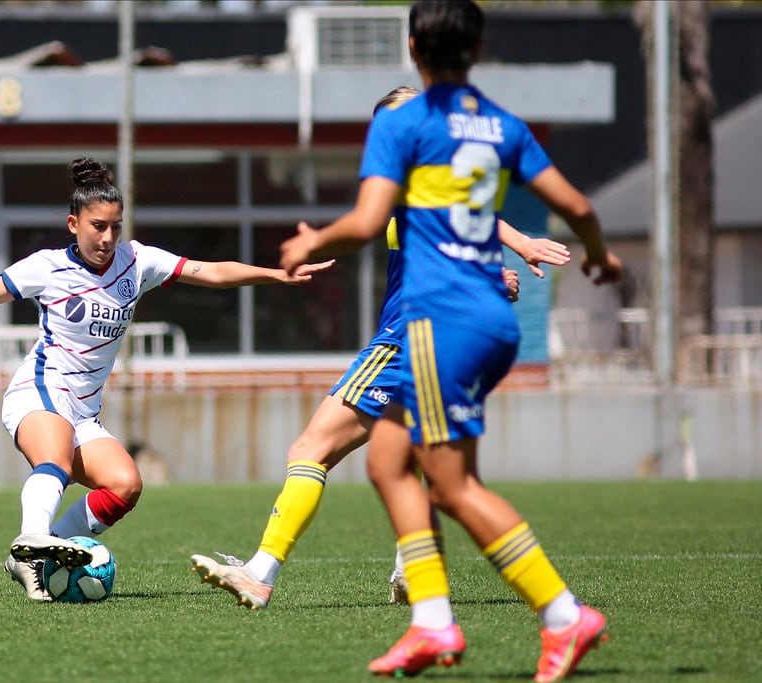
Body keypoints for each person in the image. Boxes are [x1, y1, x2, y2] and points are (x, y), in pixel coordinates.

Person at [278, 2, 624, 680]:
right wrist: (600, 254)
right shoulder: (503, 125)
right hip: (489, 322)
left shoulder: (402, 123)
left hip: (443, 323)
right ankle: (432, 621)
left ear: (413, 48)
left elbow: (368, 221)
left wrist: (312, 240)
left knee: (453, 486)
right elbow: (578, 206)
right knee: (388, 462)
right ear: (479, 49)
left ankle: (563, 615)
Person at [190, 85, 572, 611]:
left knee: (310, 450)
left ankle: (260, 573)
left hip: (402, 345)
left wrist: (315, 242)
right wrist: (503, 262)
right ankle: (416, 571)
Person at [0, 157, 334, 601]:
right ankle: (32, 538)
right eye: (97, 226)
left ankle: (37, 553)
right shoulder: (47, 267)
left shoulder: (137, 261)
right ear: (73, 224)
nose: (107, 238)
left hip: (84, 410)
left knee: (125, 484)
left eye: (115, 227)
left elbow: (212, 271)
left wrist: (275, 275)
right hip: (40, 389)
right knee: (56, 460)